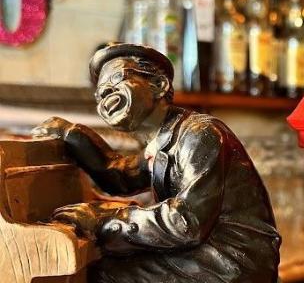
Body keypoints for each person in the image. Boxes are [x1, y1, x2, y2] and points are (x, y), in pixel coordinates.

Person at [33, 43, 280, 283]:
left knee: (105, 273)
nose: (106, 95)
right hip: (208, 251)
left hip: (232, 259)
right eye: (100, 94)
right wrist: (73, 136)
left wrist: (102, 220)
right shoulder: (163, 140)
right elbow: (120, 175)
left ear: (160, 85)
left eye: (117, 79)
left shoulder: (199, 134)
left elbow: (186, 222)